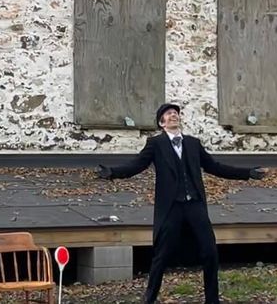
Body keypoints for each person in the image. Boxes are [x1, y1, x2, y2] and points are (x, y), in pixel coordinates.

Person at [96, 103, 267, 304]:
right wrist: (113, 173)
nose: (173, 115)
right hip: (171, 206)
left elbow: (215, 167)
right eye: (169, 114)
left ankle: (212, 300)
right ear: (162, 122)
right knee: (161, 254)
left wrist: (247, 173)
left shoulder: (193, 144)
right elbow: (137, 165)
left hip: (194, 204)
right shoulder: (156, 144)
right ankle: (149, 299)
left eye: (176, 113)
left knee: (210, 251)